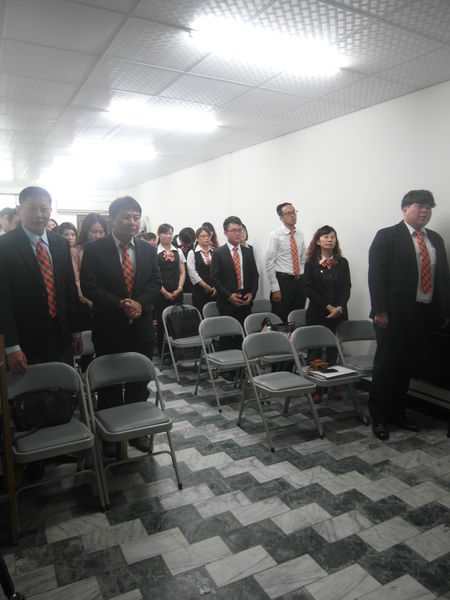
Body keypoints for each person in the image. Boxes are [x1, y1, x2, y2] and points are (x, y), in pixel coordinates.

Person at [80, 196, 161, 452]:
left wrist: (140, 305)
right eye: (126, 216)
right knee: (110, 386)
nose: (132, 222)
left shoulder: (148, 249)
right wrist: (120, 304)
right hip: (109, 327)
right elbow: (89, 286)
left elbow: (155, 282)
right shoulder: (95, 249)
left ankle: (137, 431)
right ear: (112, 219)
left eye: (136, 217)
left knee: (139, 383)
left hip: (141, 328)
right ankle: (110, 435)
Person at [368, 189, 450, 441]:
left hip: (422, 314)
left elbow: (443, 277)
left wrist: (445, 311)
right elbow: (376, 274)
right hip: (392, 315)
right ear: (405, 209)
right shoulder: (387, 236)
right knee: (387, 366)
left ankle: (398, 413)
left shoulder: (435, 239)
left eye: (428, 207)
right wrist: (380, 310)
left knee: (407, 367)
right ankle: (380, 417)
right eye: (419, 206)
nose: (425, 211)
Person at [0, 186, 81, 373]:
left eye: (44, 209)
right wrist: (11, 346)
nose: (39, 215)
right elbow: (3, 301)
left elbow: (69, 288)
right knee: (32, 389)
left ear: (50, 210)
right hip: (24, 340)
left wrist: (75, 330)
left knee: (63, 384)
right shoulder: (4, 246)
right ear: (19, 210)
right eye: (32, 209)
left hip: (61, 335)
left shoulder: (61, 243)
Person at [303, 225, 351, 364]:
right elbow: (309, 289)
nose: (330, 240)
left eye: (333, 237)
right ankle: (315, 377)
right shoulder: (311, 263)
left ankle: (334, 377)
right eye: (326, 237)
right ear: (318, 241)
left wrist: (339, 307)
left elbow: (346, 287)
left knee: (333, 351)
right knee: (315, 354)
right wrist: (329, 307)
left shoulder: (342, 262)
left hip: (338, 313)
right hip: (317, 313)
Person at [210, 216, 259, 327]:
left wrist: (252, 293)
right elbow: (214, 278)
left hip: (245, 301)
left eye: (240, 230)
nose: (238, 233)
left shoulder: (248, 252)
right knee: (228, 334)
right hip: (226, 303)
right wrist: (229, 296)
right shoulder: (218, 253)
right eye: (233, 230)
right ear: (225, 233)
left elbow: (255, 275)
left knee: (245, 333)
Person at [266, 202, 306, 323]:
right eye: (288, 213)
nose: (292, 215)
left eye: (294, 212)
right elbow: (269, 263)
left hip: (299, 282)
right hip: (283, 282)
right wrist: (275, 288)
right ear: (281, 217)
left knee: (297, 318)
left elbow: (302, 259)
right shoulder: (275, 235)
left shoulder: (300, 234)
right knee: (281, 320)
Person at [71, 213, 108, 328]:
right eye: (93, 231)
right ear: (86, 231)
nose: (97, 236)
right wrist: (89, 301)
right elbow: (76, 279)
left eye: (101, 232)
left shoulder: (108, 251)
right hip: (84, 301)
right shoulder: (76, 250)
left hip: (107, 301)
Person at [155, 223, 186, 356]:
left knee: (177, 321)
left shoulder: (178, 251)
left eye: (170, 233)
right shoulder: (154, 252)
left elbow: (182, 272)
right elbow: (154, 276)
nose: (168, 236)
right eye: (165, 233)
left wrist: (180, 288)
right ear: (159, 235)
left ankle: (178, 351)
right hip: (161, 293)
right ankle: (165, 353)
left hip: (177, 292)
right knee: (163, 323)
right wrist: (165, 292)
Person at [187, 226, 217, 313]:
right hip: (199, 290)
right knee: (201, 314)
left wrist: (216, 287)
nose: (206, 238)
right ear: (197, 238)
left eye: (208, 236)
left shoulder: (214, 252)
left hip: (215, 290)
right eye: (203, 236)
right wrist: (205, 286)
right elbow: (192, 272)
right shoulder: (192, 253)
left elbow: (218, 271)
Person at [176, 227, 196, 293]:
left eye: (189, 245)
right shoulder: (172, 245)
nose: (187, 247)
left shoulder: (193, 246)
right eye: (185, 245)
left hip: (191, 282)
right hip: (177, 282)